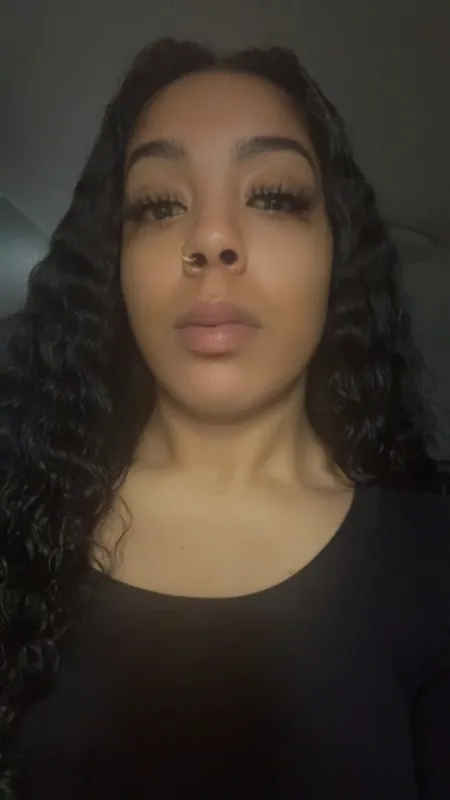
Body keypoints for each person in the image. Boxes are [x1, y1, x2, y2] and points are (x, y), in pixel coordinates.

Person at [1, 37, 449, 799]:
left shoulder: (434, 556)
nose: (211, 240)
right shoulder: (17, 514)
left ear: (337, 253)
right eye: (158, 205)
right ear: (115, 266)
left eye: (273, 196)